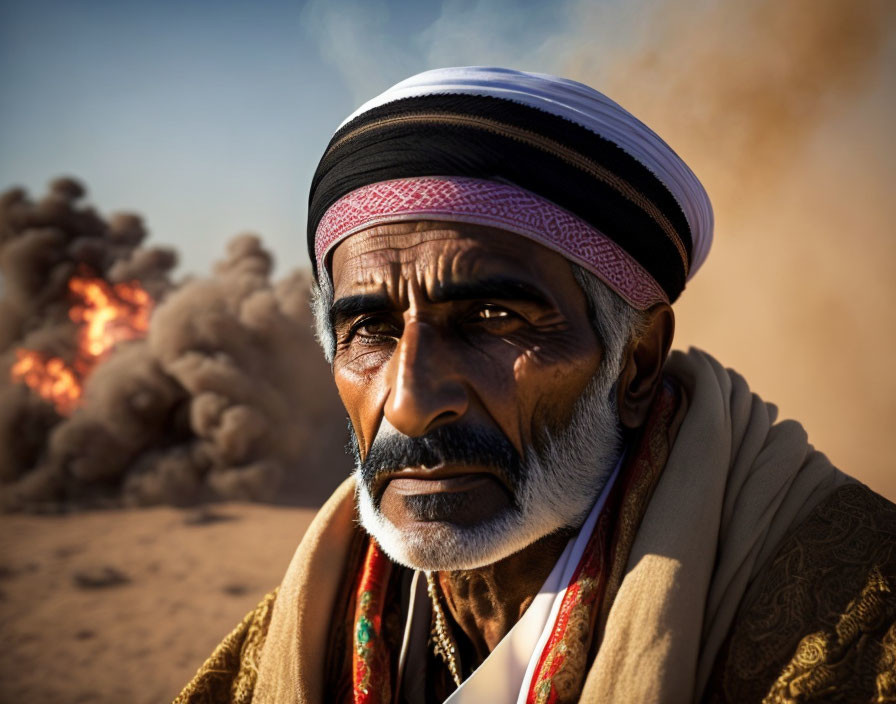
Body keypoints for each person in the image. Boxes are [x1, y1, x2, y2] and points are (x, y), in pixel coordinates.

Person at [174, 67, 896, 704]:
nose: (411, 403)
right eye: (370, 330)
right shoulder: (306, 625)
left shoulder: (857, 611)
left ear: (636, 363)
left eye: (493, 318)